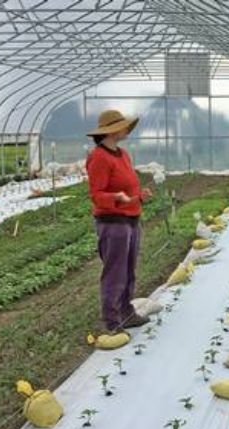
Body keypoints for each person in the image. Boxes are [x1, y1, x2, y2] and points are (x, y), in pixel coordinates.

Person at [86, 109, 152, 332]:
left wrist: (140, 196)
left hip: (131, 219)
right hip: (113, 223)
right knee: (115, 271)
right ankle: (112, 320)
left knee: (129, 269)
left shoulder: (122, 154)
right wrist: (116, 198)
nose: (127, 128)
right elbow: (96, 194)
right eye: (123, 125)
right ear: (112, 131)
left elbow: (127, 185)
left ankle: (126, 312)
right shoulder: (99, 157)